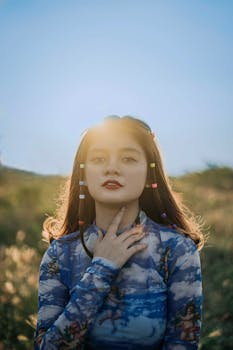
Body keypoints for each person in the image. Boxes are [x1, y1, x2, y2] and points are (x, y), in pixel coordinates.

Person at [34, 115, 204, 350]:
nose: (112, 168)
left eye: (128, 158)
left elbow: (183, 344)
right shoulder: (60, 254)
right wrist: (101, 269)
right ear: (83, 172)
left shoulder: (176, 250)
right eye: (99, 158)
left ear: (148, 172)